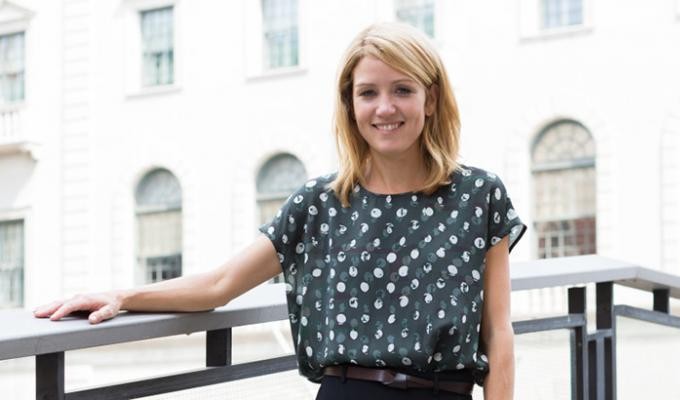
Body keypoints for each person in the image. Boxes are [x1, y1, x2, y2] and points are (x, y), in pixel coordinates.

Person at [34, 22, 526, 400]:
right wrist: (123, 295)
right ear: (350, 104)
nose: (385, 108)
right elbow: (219, 284)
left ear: (431, 98)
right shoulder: (320, 204)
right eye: (368, 92)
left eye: (402, 90)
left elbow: (497, 334)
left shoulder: (478, 196)